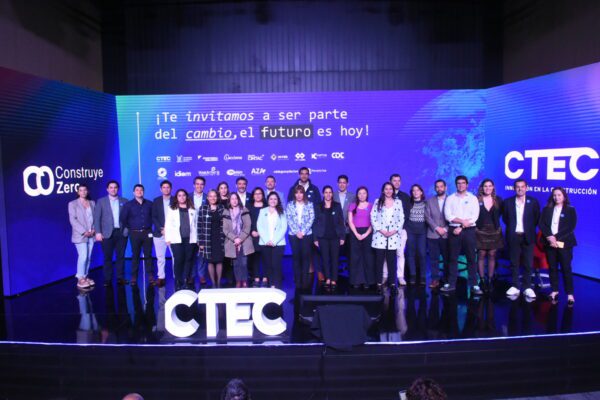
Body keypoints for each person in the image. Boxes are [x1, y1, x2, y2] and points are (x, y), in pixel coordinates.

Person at [442, 176, 481, 295]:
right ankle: (451, 283)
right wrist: (462, 222)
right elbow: (448, 216)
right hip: (453, 230)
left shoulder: (473, 198)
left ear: (467, 184)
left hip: (469, 230)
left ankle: (474, 284)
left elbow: (475, 216)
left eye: (463, 183)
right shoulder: (450, 198)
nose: (461, 185)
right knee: (452, 258)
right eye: (458, 183)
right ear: (456, 185)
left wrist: (461, 227)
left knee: (471, 258)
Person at [502, 179, 540, 300]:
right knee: (514, 262)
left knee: (528, 263)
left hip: (528, 236)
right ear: (514, 188)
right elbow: (505, 219)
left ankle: (527, 287)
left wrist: (527, 229)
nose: (520, 189)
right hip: (513, 236)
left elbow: (536, 219)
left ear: (526, 188)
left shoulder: (533, 202)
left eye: (522, 186)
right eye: (517, 187)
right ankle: (515, 286)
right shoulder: (507, 202)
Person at [539, 187, 577, 305]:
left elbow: (571, 227)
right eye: (554, 195)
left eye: (559, 195)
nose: (556, 197)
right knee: (552, 268)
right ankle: (554, 291)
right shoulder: (547, 209)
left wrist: (555, 238)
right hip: (549, 242)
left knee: (566, 268)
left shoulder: (570, 210)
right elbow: (542, 224)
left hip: (564, 243)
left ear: (564, 196)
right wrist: (549, 237)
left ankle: (570, 294)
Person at [370, 182, 405, 293]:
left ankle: (392, 283)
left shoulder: (398, 202)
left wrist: (394, 230)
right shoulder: (377, 201)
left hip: (393, 236)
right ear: (383, 190)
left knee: (391, 261)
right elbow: (373, 217)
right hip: (380, 235)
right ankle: (378, 283)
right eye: (386, 189)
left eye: (390, 189)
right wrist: (381, 230)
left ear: (393, 190)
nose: (388, 191)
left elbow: (401, 218)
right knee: (379, 261)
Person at [93, 180, 128, 286]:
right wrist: (98, 232)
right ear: (107, 189)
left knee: (120, 256)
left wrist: (126, 230)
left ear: (118, 189)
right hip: (106, 233)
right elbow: (97, 218)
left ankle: (120, 278)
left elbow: (128, 217)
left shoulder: (124, 201)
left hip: (121, 233)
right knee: (107, 257)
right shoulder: (101, 201)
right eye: (111, 187)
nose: (113, 189)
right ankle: (108, 279)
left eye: (115, 187)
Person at [313, 185, 346, 289]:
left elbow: (341, 222)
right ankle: (327, 278)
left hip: (335, 236)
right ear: (323, 194)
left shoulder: (337, 205)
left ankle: (334, 279)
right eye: (326, 192)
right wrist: (315, 238)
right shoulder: (318, 206)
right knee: (325, 259)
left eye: (330, 192)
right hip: (322, 237)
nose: (328, 194)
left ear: (332, 194)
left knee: (335, 259)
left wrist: (342, 237)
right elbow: (315, 223)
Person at [120, 184, 154, 285]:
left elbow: (153, 217)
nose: (139, 192)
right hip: (134, 233)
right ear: (133, 192)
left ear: (143, 192)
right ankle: (134, 277)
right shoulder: (128, 205)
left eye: (141, 190)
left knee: (148, 255)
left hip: (147, 233)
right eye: (137, 190)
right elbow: (123, 219)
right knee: (135, 255)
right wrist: (131, 227)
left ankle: (150, 276)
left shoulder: (149, 204)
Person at [164, 189, 197, 291]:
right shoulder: (172, 208)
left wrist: (197, 239)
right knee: (178, 260)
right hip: (176, 239)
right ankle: (178, 281)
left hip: (190, 239)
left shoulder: (192, 209)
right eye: (179, 195)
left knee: (188, 260)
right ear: (176, 197)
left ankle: (186, 280)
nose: (182, 197)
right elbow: (168, 224)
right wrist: (167, 238)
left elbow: (195, 225)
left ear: (186, 196)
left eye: (183, 195)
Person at [475, 179, 504, 293]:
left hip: (494, 231)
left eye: (490, 186)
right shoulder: (476, 199)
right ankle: (482, 280)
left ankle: (490, 279)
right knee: (481, 254)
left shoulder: (498, 200)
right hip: (480, 231)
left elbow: (502, 214)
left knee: (492, 254)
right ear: (482, 188)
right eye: (485, 186)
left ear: (493, 187)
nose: (487, 188)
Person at [285, 185, 315, 289]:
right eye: (297, 193)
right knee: (296, 257)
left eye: (301, 192)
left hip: (306, 234)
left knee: (306, 257)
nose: (299, 195)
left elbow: (311, 218)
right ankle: (297, 281)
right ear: (294, 194)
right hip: (293, 234)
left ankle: (305, 280)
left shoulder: (309, 204)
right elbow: (288, 218)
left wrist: (303, 232)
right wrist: (297, 231)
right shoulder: (290, 205)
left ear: (303, 194)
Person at [223, 193, 255, 288]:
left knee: (244, 263)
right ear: (229, 201)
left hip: (244, 240)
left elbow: (247, 226)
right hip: (232, 241)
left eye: (236, 198)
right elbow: (225, 229)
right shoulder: (226, 212)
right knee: (236, 263)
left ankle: (244, 280)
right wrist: (235, 238)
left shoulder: (244, 210)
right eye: (232, 199)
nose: (234, 200)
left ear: (238, 200)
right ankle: (238, 280)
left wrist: (240, 238)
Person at [257, 192, 288, 288]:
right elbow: (259, 226)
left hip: (278, 244)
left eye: (275, 199)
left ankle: (277, 286)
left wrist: (274, 241)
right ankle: (271, 285)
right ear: (268, 200)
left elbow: (284, 228)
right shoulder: (262, 211)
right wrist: (266, 240)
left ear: (278, 200)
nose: (273, 201)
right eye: (271, 199)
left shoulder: (282, 212)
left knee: (276, 265)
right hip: (264, 243)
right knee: (268, 265)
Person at [69, 183, 96, 289]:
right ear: (78, 192)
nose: (83, 192)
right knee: (83, 256)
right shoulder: (73, 204)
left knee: (88, 257)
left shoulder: (92, 203)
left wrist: (94, 229)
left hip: (91, 234)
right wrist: (84, 232)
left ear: (87, 191)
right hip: (80, 235)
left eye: (85, 190)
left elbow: (95, 218)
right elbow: (73, 220)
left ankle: (85, 276)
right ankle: (80, 278)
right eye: (81, 190)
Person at [347, 186, 374, 289]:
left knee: (367, 257)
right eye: (360, 193)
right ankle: (356, 281)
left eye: (364, 193)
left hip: (368, 232)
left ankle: (368, 281)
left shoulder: (371, 206)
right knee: (355, 257)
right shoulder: (352, 206)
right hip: (355, 233)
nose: (362, 195)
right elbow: (350, 221)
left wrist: (366, 234)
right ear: (357, 195)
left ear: (367, 195)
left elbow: (373, 222)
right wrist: (356, 234)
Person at [197, 190, 225, 288]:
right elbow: (199, 226)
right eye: (210, 196)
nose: (213, 198)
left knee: (219, 261)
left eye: (214, 196)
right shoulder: (203, 208)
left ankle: (219, 283)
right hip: (207, 239)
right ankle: (213, 283)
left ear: (217, 197)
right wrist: (200, 241)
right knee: (210, 261)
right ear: (207, 198)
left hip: (220, 238)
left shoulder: (222, 208)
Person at [424, 179, 449, 289]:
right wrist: (437, 228)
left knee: (447, 259)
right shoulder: (429, 201)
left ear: (445, 187)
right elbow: (427, 217)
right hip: (433, 234)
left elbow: (454, 216)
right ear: (435, 188)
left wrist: (445, 229)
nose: (439, 188)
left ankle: (447, 279)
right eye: (437, 187)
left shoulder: (451, 200)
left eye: (441, 186)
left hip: (447, 235)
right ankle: (435, 279)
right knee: (434, 259)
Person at [388, 173, 410, 286]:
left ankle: (400, 276)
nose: (396, 183)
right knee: (387, 254)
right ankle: (385, 275)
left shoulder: (405, 197)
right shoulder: (385, 196)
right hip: (387, 231)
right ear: (390, 182)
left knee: (400, 253)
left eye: (398, 181)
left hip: (401, 230)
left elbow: (406, 215)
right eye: (394, 180)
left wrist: (398, 228)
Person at [151, 180, 173, 287]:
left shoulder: (175, 200)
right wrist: (161, 229)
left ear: (171, 189)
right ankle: (161, 277)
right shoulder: (156, 201)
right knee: (160, 257)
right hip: (159, 233)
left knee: (176, 257)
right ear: (161, 189)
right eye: (164, 187)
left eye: (168, 187)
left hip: (173, 234)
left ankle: (177, 277)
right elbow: (154, 217)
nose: (166, 189)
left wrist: (169, 230)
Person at [405, 184, 428, 286]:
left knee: (422, 253)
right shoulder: (409, 204)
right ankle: (412, 275)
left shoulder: (426, 203)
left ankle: (422, 276)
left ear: (421, 192)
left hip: (422, 232)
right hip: (410, 231)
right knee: (410, 253)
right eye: (413, 190)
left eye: (418, 190)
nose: (415, 192)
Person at [334, 174, 356, 266]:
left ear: (347, 184)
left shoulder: (353, 196)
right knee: (335, 255)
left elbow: (355, 212)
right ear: (337, 184)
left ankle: (350, 273)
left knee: (349, 254)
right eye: (340, 182)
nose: (342, 184)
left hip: (348, 230)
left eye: (344, 183)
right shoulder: (332, 195)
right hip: (335, 231)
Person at [191, 176, 208, 286]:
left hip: (203, 229)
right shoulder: (187, 197)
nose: (199, 186)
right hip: (191, 230)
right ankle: (192, 275)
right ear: (194, 185)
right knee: (191, 254)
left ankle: (201, 275)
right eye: (197, 184)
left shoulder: (208, 197)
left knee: (202, 254)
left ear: (204, 186)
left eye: (201, 184)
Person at [248, 187, 267, 287]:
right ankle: (256, 278)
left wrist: (261, 232)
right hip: (253, 235)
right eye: (256, 194)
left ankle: (265, 278)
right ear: (253, 196)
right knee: (255, 258)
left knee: (265, 257)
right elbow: (247, 221)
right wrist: (252, 231)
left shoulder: (267, 207)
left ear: (263, 195)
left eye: (260, 193)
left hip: (265, 236)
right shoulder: (249, 207)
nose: (258, 195)